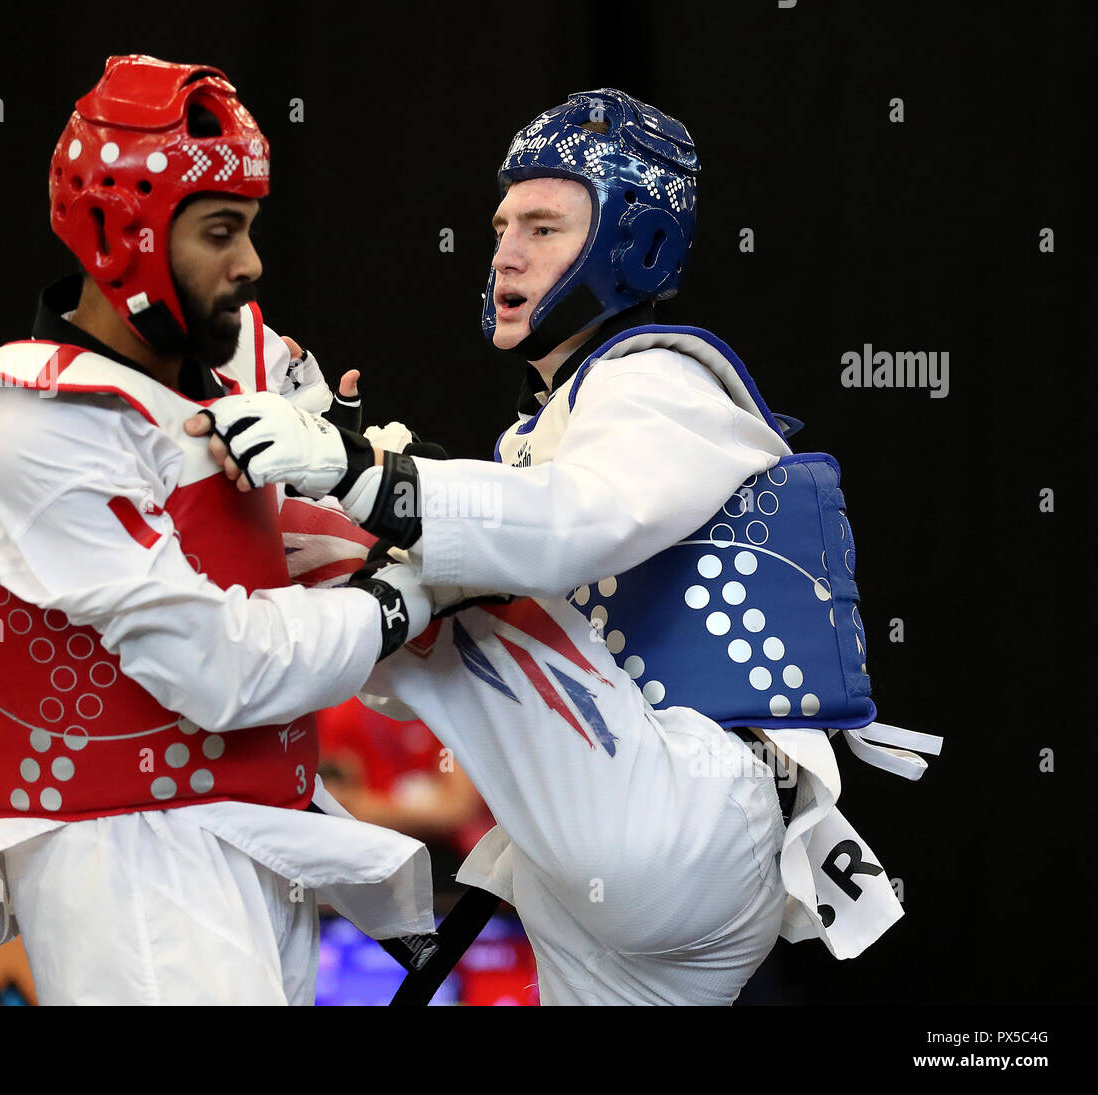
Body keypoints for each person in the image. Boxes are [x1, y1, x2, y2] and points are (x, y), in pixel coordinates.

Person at [194, 89, 941, 1004]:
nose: (506, 250)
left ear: (631, 247)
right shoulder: (551, 428)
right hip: (623, 879)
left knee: (406, 561)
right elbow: (408, 656)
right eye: (503, 224)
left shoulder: (660, 381)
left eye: (544, 227)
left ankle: (135, 634)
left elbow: (563, 528)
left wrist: (361, 482)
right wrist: (372, 499)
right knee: (397, 571)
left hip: (682, 820)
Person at [0, 54, 437, 1005]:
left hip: (257, 823)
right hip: (126, 853)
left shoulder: (250, 360)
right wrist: (396, 600)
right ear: (125, 235)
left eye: (251, 229)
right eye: (220, 231)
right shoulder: (43, 416)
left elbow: (346, 548)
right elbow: (217, 668)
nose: (251, 262)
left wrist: (387, 497)